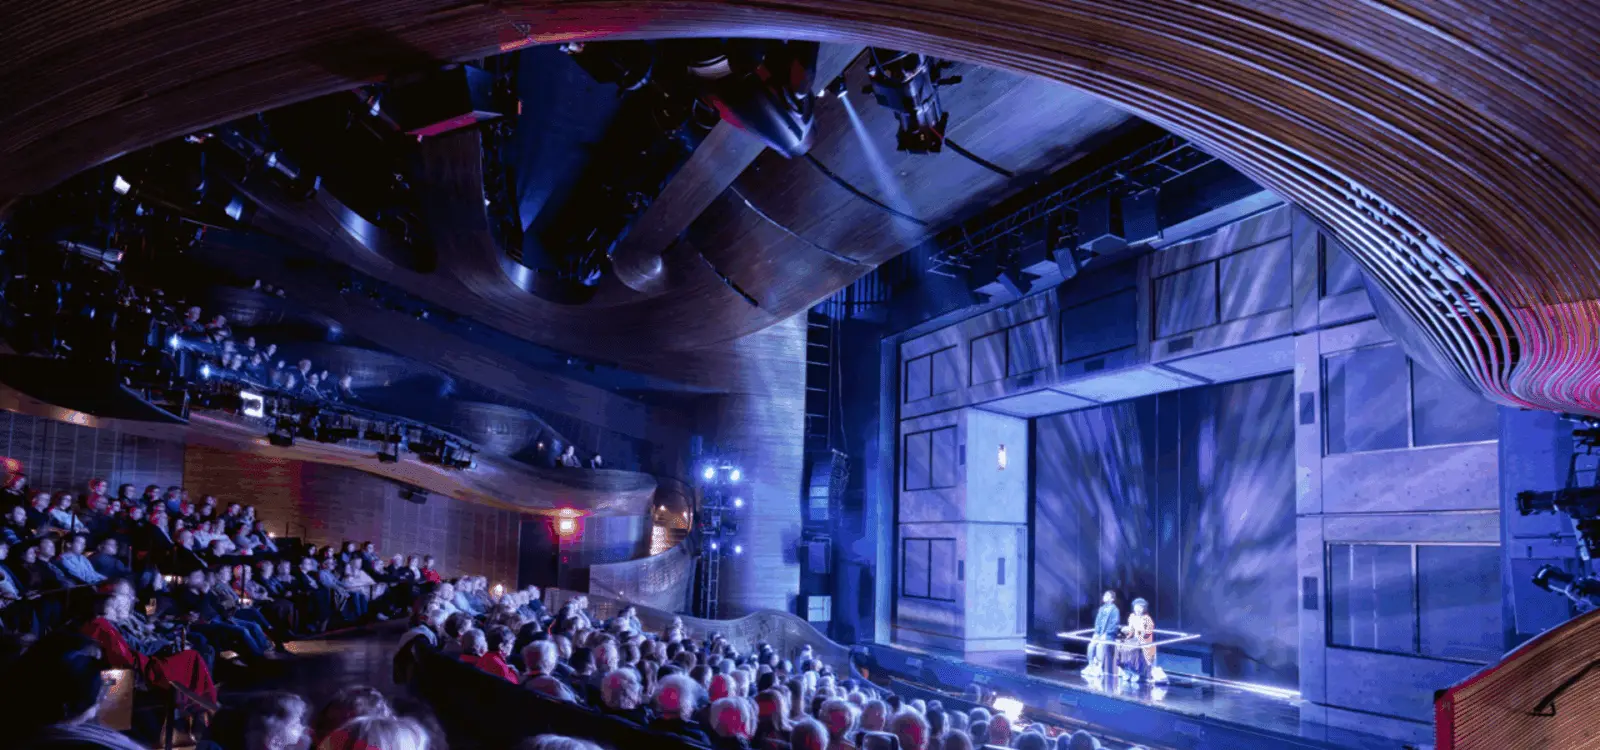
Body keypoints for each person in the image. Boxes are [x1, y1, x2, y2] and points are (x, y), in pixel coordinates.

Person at [1083, 590, 1120, 678]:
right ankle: (1091, 665)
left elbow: (1114, 624)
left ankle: (1099, 667)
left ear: (1112, 599)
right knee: (1091, 645)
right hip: (1099, 634)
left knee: (1100, 646)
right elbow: (1098, 622)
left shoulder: (1115, 610)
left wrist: (1106, 633)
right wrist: (1096, 632)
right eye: (1105, 595)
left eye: (1107, 595)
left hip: (1109, 635)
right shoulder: (1102, 608)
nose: (1105, 596)